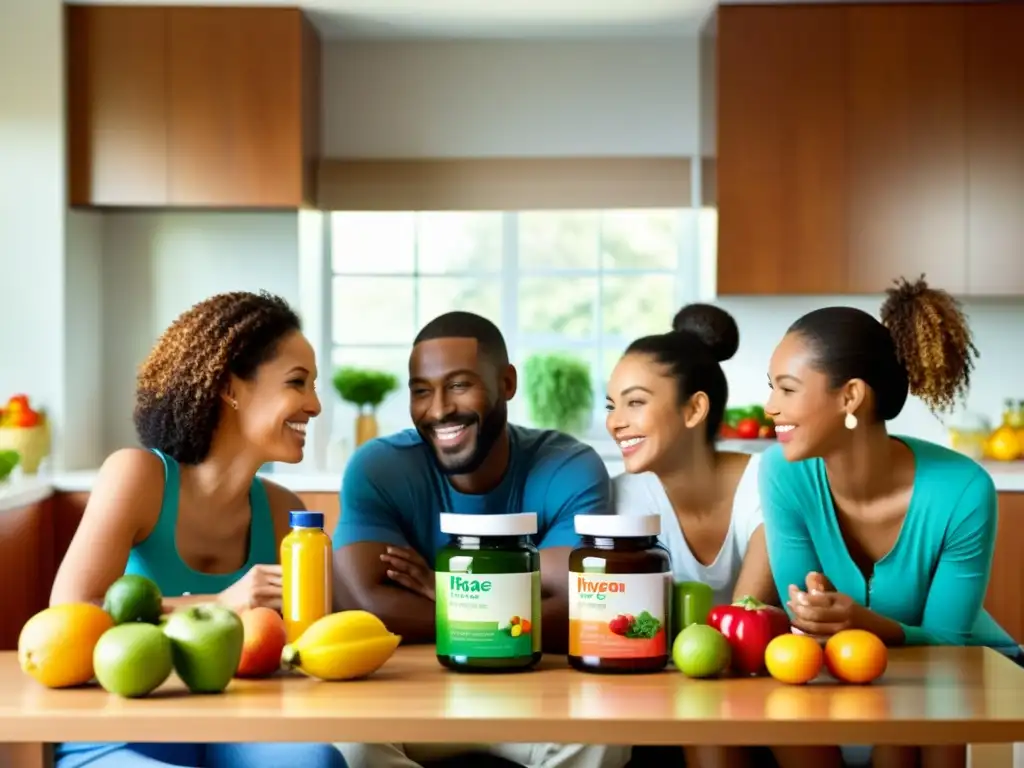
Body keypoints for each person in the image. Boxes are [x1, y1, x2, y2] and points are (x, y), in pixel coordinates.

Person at [50, 292, 347, 768]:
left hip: (238, 724)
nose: (313, 405)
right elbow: (69, 613)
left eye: (313, 386)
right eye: (298, 383)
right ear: (231, 388)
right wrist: (220, 603)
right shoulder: (139, 477)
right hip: (122, 727)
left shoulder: (282, 513)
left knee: (316, 762)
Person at [331, 311, 629, 768]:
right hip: (412, 694)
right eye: (421, 391)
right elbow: (370, 603)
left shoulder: (569, 466)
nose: (439, 409)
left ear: (506, 383)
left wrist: (445, 591)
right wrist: (501, 607)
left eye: (459, 385)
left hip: (535, 690)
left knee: (601, 740)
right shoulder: (378, 468)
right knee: (349, 745)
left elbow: (577, 603)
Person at [760, 276, 1021, 768]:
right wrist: (820, 619)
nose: (771, 406)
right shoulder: (781, 473)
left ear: (850, 396)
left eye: (787, 389)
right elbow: (807, 624)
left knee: (923, 731)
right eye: (771, 388)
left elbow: (949, 645)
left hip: (970, 675)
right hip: (853, 674)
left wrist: (864, 623)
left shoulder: (962, 491)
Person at [608, 304, 809, 768]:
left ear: (694, 408)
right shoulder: (620, 500)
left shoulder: (768, 482)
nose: (616, 421)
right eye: (612, 405)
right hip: (666, 686)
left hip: (759, 675)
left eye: (635, 402)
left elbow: (738, 634)